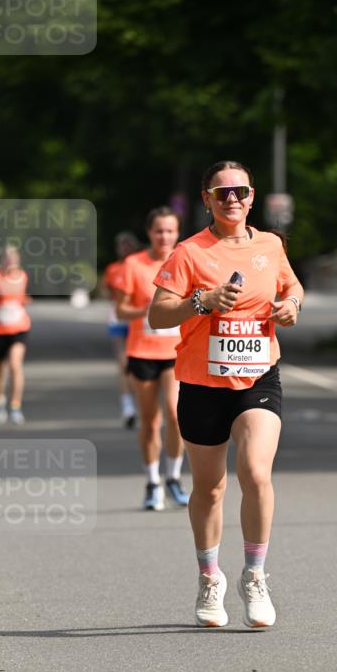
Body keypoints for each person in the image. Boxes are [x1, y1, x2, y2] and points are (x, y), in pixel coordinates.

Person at [149, 160, 304, 629]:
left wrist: (292, 305)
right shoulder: (189, 252)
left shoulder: (271, 245)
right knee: (210, 487)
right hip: (201, 382)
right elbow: (158, 315)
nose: (232, 199)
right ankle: (209, 577)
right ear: (207, 200)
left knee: (256, 471)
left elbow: (291, 284)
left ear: (252, 197)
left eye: (240, 191)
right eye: (222, 193)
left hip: (258, 376)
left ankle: (254, 576)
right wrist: (202, 301)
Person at [115, 207, 188, 511]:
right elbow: (120, 311)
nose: (165, 236)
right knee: (149, 421)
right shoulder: (133, 265)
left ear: (177, 233)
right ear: (149, 233)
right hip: (143, 351)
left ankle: (173, 476)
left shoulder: (185, 259)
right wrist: (150, 310)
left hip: (176, 351)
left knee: (175, 414)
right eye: (159, 230)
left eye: (170, 230)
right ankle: (152, 482)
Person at [0, 245, 31, 424]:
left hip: (19, 328)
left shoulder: (23, 277)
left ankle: (15, 406)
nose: (10, 261)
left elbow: (21, 299)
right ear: (2, 260)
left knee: (15, 365)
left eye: (13, 258)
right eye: (6, 258)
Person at [102, 231, 140, 427]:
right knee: (123, 363)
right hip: (118, 319)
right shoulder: (113, 269)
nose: (124, 249)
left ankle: (138, 402)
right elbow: (106, 290)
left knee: (135, 365)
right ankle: (128, 406)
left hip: (137, 318)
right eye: (121, 246)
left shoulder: (139, 265)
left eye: (127, 245)